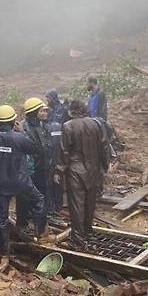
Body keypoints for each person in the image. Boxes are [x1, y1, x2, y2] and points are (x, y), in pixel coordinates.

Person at [0, 105, 51, 272]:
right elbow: (36, 149)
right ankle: (41, 234)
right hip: (20, 181)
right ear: (13, 121)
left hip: (0, 184)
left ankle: (4, 254)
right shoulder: (19, 138)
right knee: (39, 200)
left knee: (1, 218)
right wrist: (23, 132)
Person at [56, 100, 108, 249]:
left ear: (71, 111)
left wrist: (59, 170)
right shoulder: (97, 123)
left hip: (75, 170)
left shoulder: (68, 126)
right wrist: (104, 165)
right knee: (90, 202)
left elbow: (64, 150)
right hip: (94, 169)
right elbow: (104, 146)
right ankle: (88, 232)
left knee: (77, 204)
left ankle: (78, 238)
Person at [19, 97, 51, 227]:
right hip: (29, 168)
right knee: (25, 196)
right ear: (33, 112)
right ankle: (24, 221)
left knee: (41, 193)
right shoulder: (23, 126)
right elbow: (30, 146)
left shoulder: (42, 125)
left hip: (41, 166)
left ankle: (38, 218)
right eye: (41, 111)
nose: (45, 113)